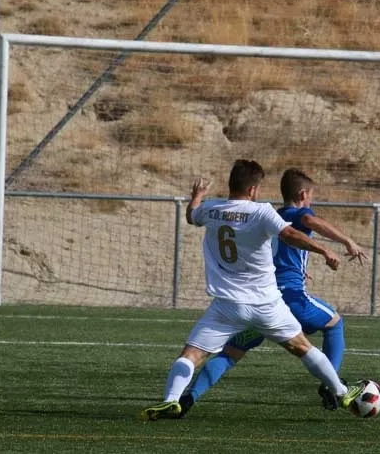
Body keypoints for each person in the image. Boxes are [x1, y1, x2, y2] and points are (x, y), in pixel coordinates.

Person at [141, 160, 363, 421]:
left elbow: (192, 215)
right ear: (254, 189)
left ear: (231, 184)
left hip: (226, 306)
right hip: (266, 303)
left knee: (192, 354)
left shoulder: (212, 209)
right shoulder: (261, 212)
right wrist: (324, 249)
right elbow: (290, 234)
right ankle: (341, 391)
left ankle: (171, 400)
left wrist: (197, 197)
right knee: (302, 347)